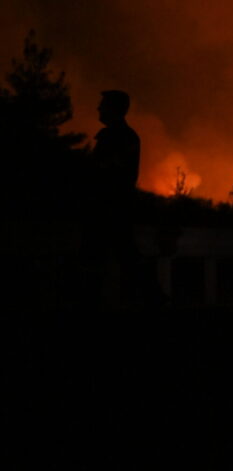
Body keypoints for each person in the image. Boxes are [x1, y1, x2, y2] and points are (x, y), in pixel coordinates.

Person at [88, 89, 158, 307]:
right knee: (124, 254)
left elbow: (106, 170)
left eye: (104, 104)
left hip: (111, 207)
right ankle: (149, 296)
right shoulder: (124, 137)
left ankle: (146, 296)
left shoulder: (120, 138)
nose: (99, 108)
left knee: (116, 255)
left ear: (114, 108)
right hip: (115, 206)